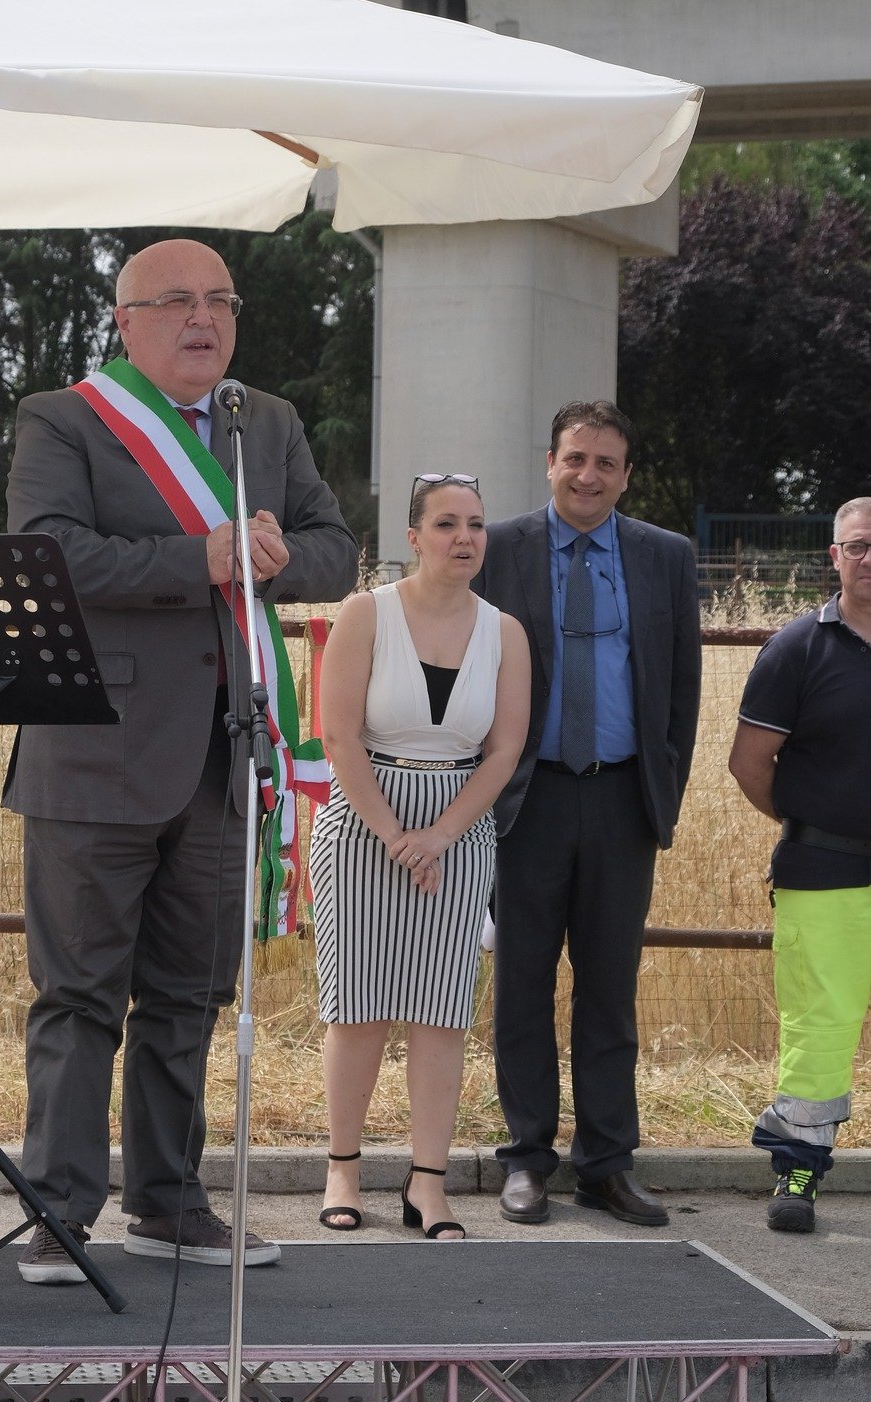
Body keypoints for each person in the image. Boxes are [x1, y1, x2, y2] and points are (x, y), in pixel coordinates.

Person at [4, 237, 358, 1283]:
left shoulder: (265, 422)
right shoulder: (63, 418)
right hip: (95, 752)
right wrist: (196, 557)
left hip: (226, 752)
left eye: (219, 300)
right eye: (176, 302)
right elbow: (48, 553)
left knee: (187, 995)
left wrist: (274, 557)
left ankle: (167, 1203)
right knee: (78, 997)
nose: (202, 318)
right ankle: (59, 1212)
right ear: (126, 321)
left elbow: (335, 549)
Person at [473, 400, 702, 1227]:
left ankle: (605, 1163)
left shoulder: (664, 556)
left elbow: (681, 688)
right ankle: (526, 1159)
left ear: (626, 475)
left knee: (608, 989)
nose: (587, 475)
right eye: (574, 458)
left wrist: (659, 795)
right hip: (523, 800)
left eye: (605, 462)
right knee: (522, 984)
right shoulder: (499, 548)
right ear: (549, 463)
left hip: (620, 799)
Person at [310, 476, 530, 1238]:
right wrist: (392, 833)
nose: (463, 538)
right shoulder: (365, 614)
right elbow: (337, 736)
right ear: (412, 537)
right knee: (357, 1007)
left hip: (457, 832)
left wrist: (437, 835)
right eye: (445, 524)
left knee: (440, 1012)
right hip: (361, 825)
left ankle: (427, 1183)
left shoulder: (504, 633)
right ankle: (342, 1171)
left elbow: (503, 750)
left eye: (475, 524)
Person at [727, 497, 871, 1234]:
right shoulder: (795, 649)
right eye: (858, 546)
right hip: (824, 868)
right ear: (834, 556)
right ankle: (798, 1168)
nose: (869, 559)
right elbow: (749, 763)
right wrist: (811, 822)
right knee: (820, 1027)